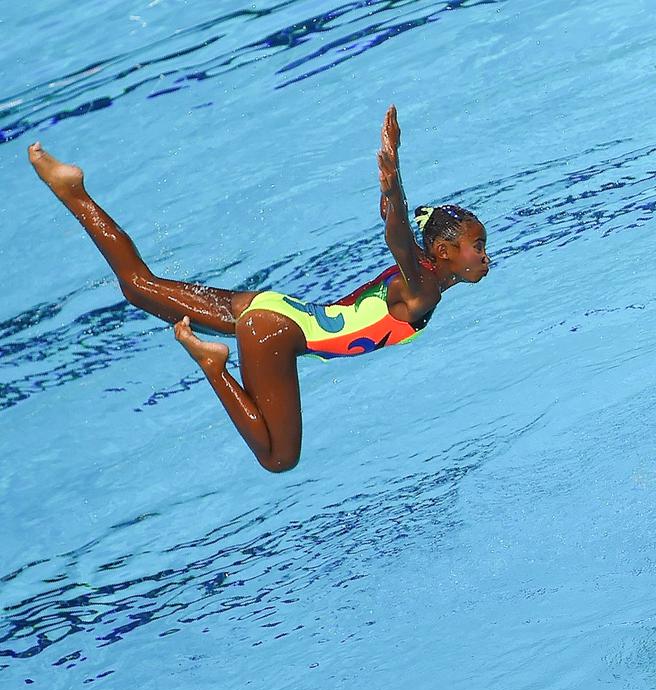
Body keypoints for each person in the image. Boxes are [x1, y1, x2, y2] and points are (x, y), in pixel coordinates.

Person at [27, 106, 489, 471]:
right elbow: (399, 239)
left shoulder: (418, 280)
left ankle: (73, 192)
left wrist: (393, 186)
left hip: (273, 309)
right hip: (276, 332)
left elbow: (400, 236)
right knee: (279, 459)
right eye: (477, 246)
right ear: (445, 252)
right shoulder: (424, 289)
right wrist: (394, 182)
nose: (485, 256)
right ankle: (212, 365)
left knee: (139, 287)